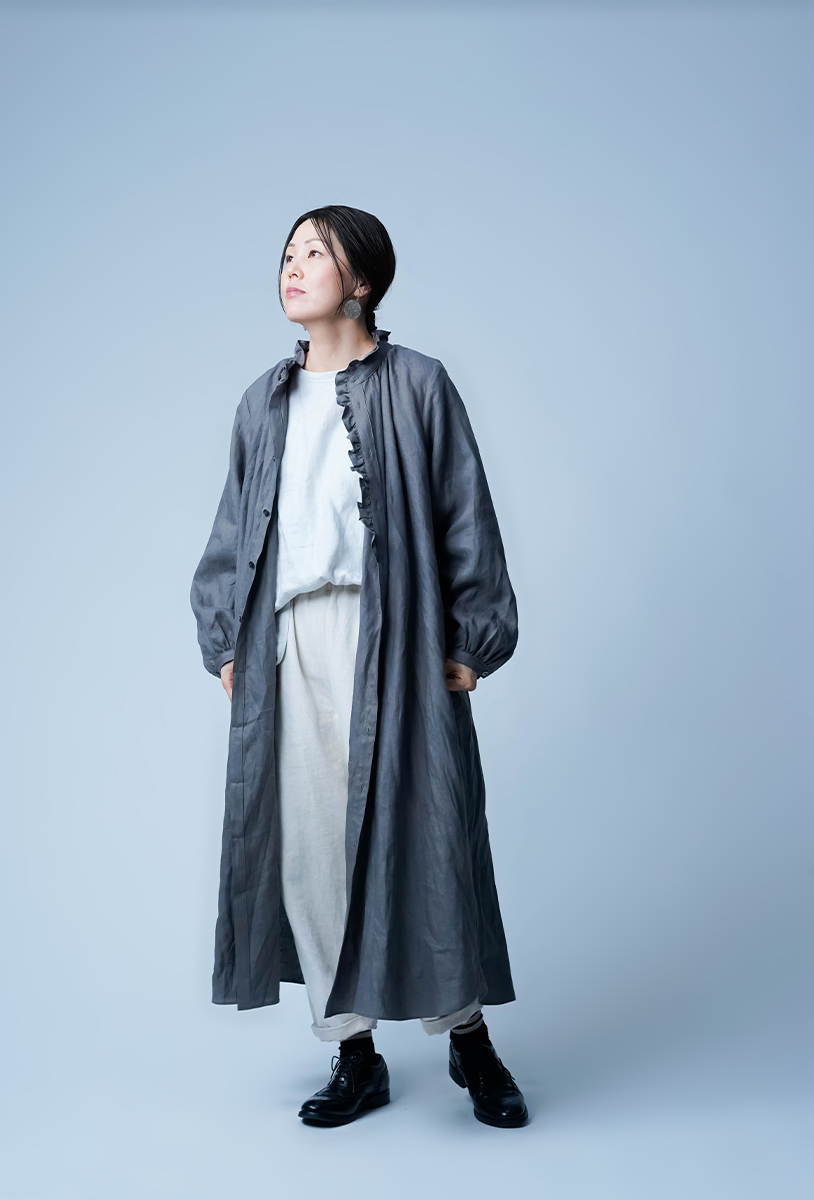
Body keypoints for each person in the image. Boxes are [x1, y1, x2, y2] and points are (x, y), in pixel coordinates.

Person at [190, 205, 528, 1128]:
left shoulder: (418, 384)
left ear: (363, 280)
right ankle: (352, 1052)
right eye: (287, 253)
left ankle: (469, 1040)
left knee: (429, 836)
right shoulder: (262, 403)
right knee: (310, 848)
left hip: (398, 636)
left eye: (316, 252)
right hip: (291, 643)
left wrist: (472, 643)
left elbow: (465, 513)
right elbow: (231, 531)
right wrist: (227, 641)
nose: (293, 267)